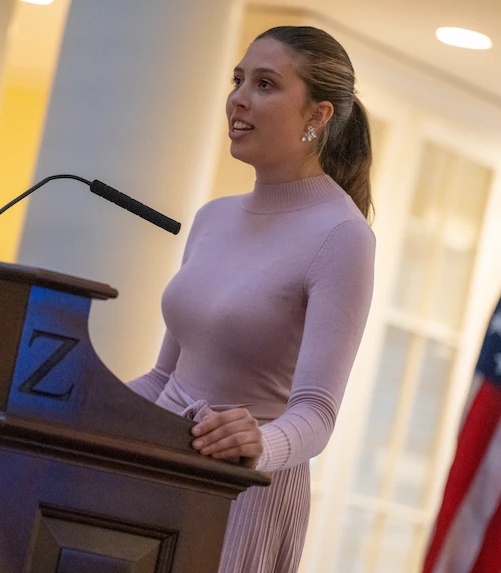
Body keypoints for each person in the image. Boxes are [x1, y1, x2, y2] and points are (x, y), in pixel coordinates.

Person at [126, 25, 376, 573]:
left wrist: (257, 445)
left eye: (265, 84)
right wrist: (77, 399)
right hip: (161, 477)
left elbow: (316, 414)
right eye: (238, 79)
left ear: (318, 116)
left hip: (245, 495)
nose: (238, 98)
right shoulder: (212, 218)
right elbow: (165, 379)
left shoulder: (343, 236)